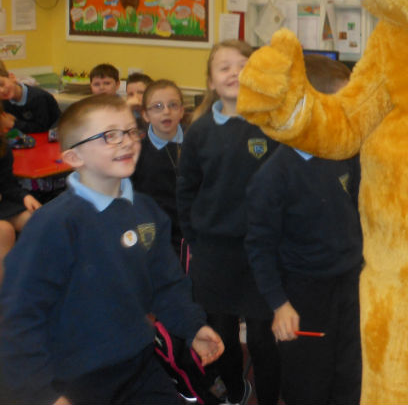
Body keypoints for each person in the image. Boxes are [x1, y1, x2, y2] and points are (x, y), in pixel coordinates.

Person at [0, 93, 224, 404]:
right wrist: (41, 394)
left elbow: (166, 283)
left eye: (131, 131)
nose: (126, 142)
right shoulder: (54, 224)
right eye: (109, 135)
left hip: (138, 362)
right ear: (74, 157)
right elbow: (19, 315)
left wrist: (192, 326)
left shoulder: (146, 211)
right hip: (74, 375)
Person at [245, 55, 362, 405]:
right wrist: (279, 304)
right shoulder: (272, 177)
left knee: (349, 375)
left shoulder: (344, 153)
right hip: (302, 295)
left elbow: (356, 213)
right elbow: (259, 247)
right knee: (309, 383)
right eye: (339, 105)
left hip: (349, 286)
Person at [176, 40, 280, 405]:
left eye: (243, 64)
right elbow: (186, 190)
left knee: (266, 340)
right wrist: (197, 239)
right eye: (225, 67)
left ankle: (268, 398)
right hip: (214, 256)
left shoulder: (273, 125)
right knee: (221, 335)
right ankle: (236, 391)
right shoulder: (199, 131)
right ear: (210, 81)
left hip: (262, 256)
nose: (235, 72)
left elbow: (285, 187)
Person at [131, 79, 185, 255]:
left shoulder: (197, 143)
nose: (166, 112)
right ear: (145, 115)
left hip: (191, 232)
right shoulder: (137, 153)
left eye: (173, 105)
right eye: (158, 106)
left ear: (182, 111)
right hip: (155, 234)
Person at [0, 131, 41, 286]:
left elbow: (8, 184)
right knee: (4, 231)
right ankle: (6, 296)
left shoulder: (3, 146)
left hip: (3, 203)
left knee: (37, 220)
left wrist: (24, 196)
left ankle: (39, 283)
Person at [0, 60, 61, 134]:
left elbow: (42, 128)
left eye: (2, 84)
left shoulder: (39, 97)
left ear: (12, 77)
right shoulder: (4, 102)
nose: (1, 91)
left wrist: (13, 124)